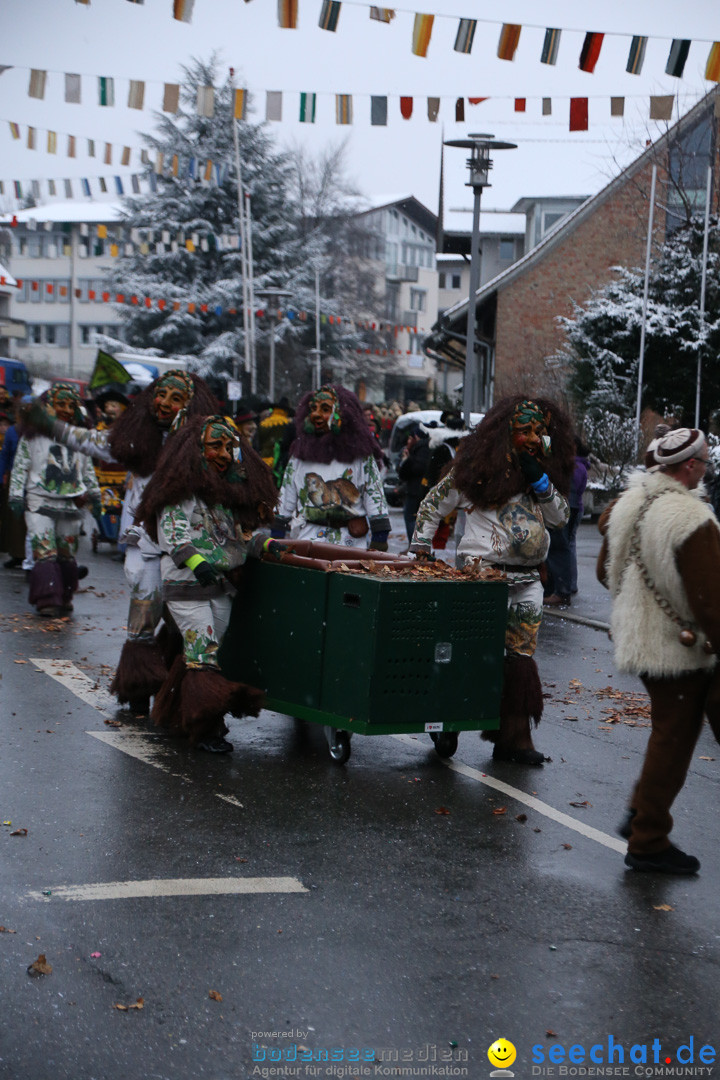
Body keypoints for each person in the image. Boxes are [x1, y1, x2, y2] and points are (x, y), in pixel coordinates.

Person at [27, 370, 219, 710]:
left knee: (184, 624)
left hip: (190, 550)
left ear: (189, 406)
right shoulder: (134, 439)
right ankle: (138, 690)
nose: (165, 404)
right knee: (143, 616)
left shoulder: (204, 442)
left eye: (177, 399)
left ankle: (177, 693)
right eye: (162, 395)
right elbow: (90, 441)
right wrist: (50, 424)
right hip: (146, 545)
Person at [410, 395, 574, 765]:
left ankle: (514, 738)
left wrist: (541, 481)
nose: (534, 438)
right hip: (482, 577)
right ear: (504, 433)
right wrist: (421, 548)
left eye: (539, 431)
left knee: (520, 658)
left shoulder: (540, 476)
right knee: (472, 654)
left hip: (529, 578)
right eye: (525, 431)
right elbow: (433, 504)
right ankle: (448, 719)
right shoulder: (473, 470)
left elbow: (561, 518)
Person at [598, 427, 720, 875]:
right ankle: (648, 838)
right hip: (678, 648)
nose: (707, 469)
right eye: (705, 462)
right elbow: (712, 600)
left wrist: (637, 607)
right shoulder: (691, 519)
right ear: (689, 467)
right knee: (673, 739)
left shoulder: (627, 504)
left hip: (640, 641)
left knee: (667, 734)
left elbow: (603, 570)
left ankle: (641, 813)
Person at [137, 414, 279, 752]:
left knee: (204, 654)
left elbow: (240, 538)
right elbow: (171, 530)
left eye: (230, 446)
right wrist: (195, 561)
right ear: (196, 450)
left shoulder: (230, 494)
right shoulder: (178, 490)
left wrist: (270, 546)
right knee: (203, 651)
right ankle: (206, 727)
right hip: (186, 583)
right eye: (216, 446)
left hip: (221, 586)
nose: (225, 454)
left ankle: (174, 712)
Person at [9, 383, 101, 617]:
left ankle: (65, 595)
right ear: (47, 406)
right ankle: (48, 598)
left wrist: (95, 496)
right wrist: (16, 496)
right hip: (40, 502)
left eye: (72, 405)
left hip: (71, 504)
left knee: (66, 552)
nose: (67, 410)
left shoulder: (78, 437)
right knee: (45, 551)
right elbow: (20, 467)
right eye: (61, 404)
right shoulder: (31, 437)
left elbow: (88, 469)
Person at [273, 384, 390, 550]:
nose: (316, 414)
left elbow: (374, 496)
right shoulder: (299, 455)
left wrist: (379, 540)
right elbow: (286, 498)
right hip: (307, 540)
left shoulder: (361, 456)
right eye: (313, 408)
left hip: (350, 544)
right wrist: (276, 537)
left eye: (325, 409)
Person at [544, 438, 589, 606]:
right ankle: (567, 586)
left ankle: (564, 589)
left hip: (567, 506)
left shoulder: (574, 466)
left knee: (560, 546)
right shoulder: (580, 465)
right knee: (568, 546)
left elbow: (570, 487)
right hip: (573, 506)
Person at [398, 428, 431, 546]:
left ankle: (415, 547)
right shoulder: (420, 448)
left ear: (416, 437)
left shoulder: (421, 449)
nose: (408, 441)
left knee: (411, 518)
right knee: (413, 518)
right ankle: (415, 546)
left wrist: (408, 460)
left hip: (416, 490)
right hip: (416, 489)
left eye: (410, 438)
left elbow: (417, 468)